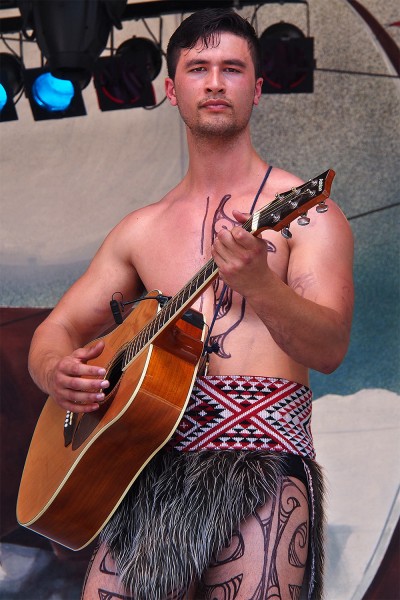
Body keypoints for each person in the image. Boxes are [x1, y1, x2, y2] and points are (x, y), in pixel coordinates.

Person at [28, 8, 354, 600]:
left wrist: (261, 284)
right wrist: (57, 370)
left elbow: (329, 347)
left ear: (256, 90)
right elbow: (59, 329)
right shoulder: (139, 230)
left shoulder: (309, 211)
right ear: (172, 89)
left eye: (232, 68)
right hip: (141, 468)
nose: (214, 82)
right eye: (197, 68)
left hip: (263, 467)